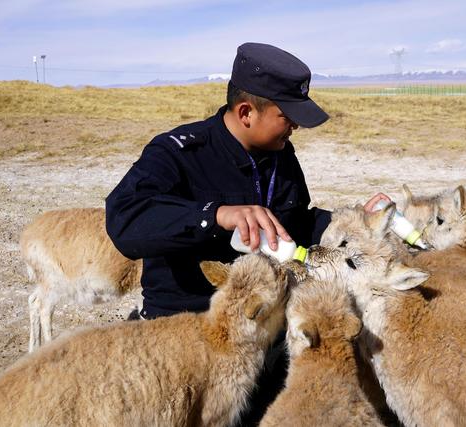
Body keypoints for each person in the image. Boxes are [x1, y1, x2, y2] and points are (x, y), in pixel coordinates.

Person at [105, 42, 388, 424]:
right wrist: (215, 216)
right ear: (246, 112)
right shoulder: (179, 153)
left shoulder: (281, 155)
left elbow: (294, 225)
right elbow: (125, 219)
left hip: (265, 339)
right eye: (287, 116)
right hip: (188, 340)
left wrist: (355, 219)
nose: (295, 126)